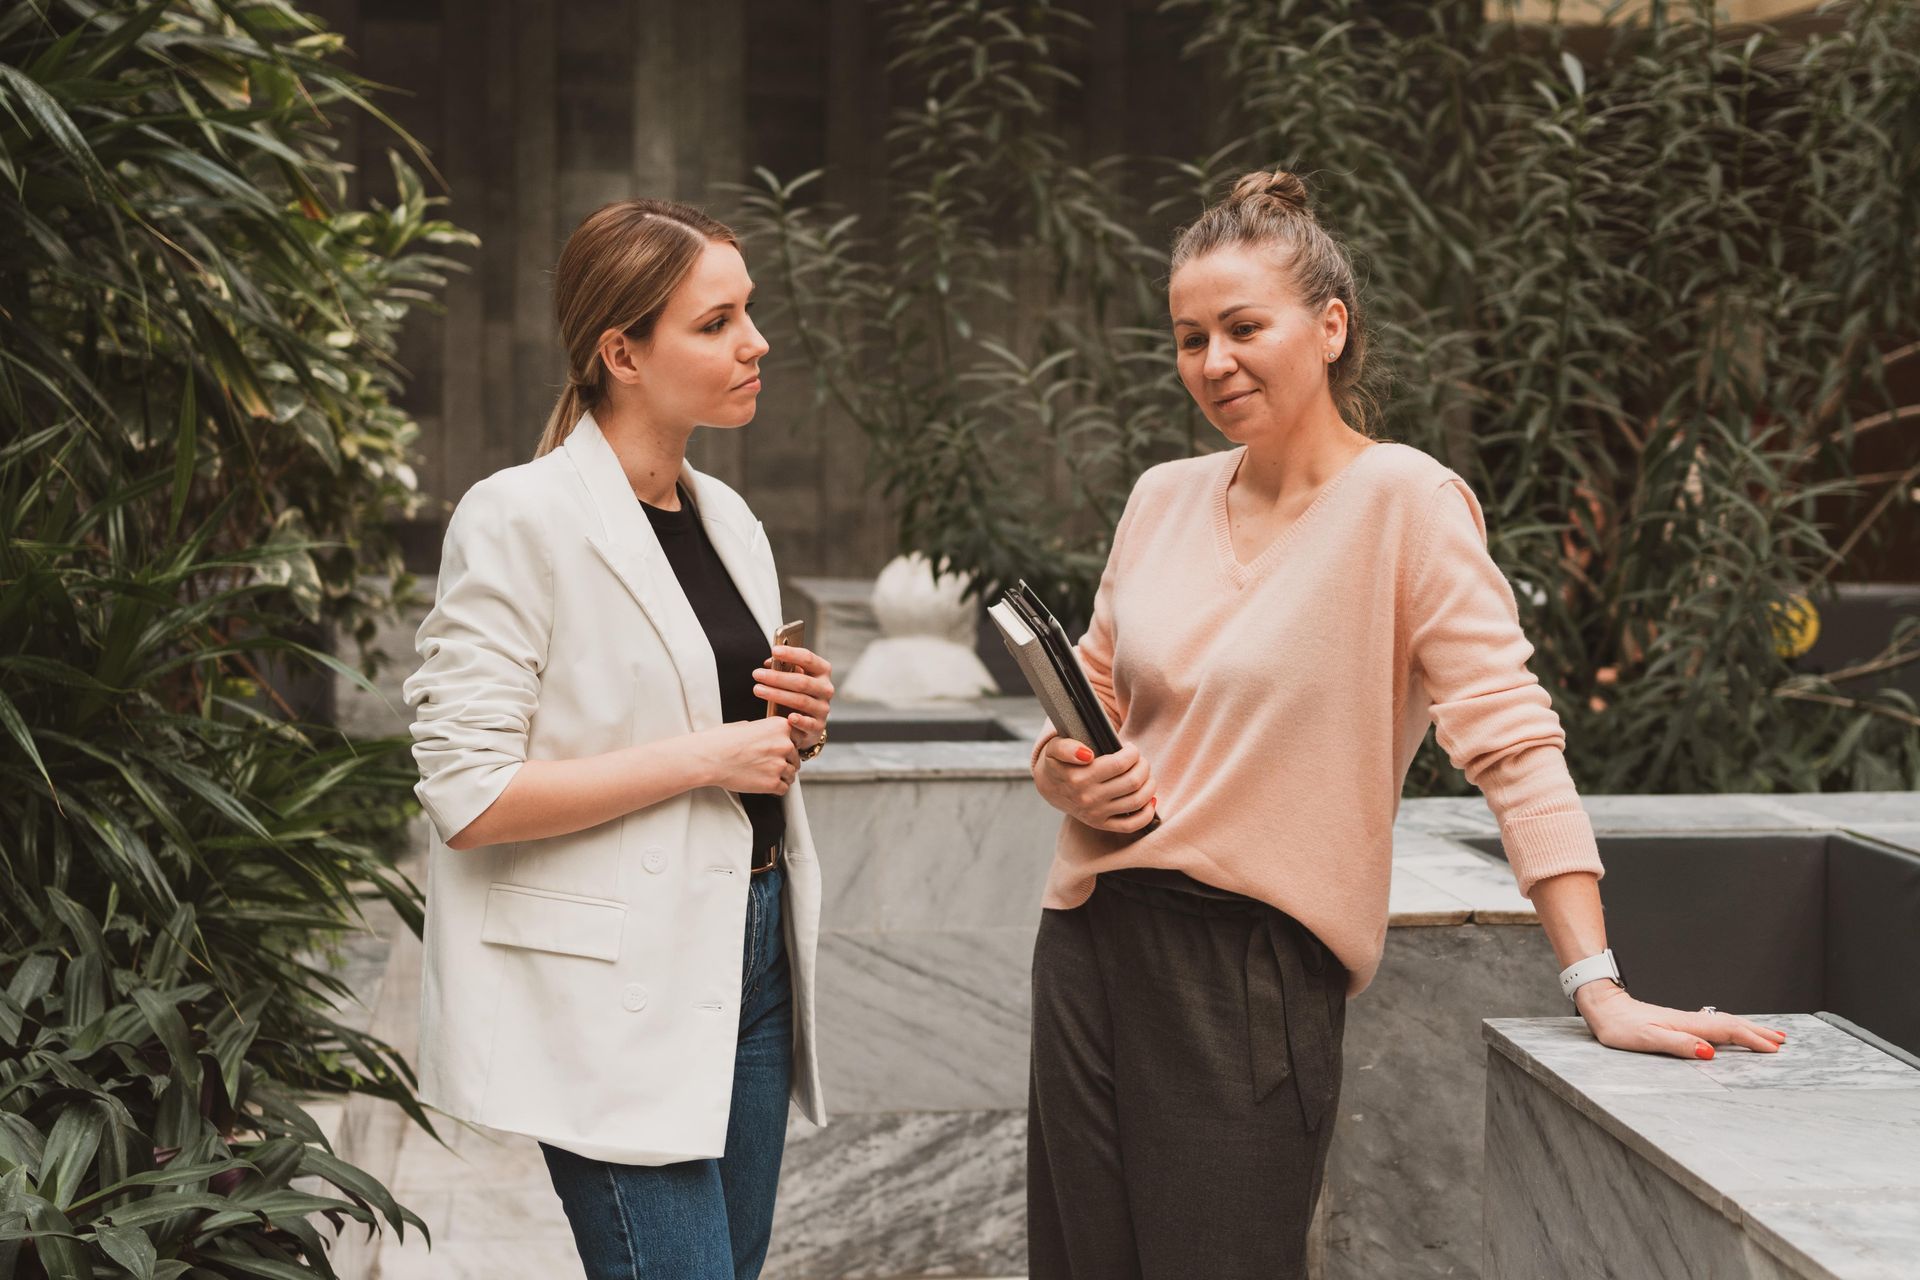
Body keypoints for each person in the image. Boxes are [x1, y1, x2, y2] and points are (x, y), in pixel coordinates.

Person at [1022, 169, 1788, 1280]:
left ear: (1329, 326)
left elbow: (1514, 745)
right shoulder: (1162, 495)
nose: (1214, 362)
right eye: (1190, 337)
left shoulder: (1409, 505)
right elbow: (1087, 696)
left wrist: (1598, 983)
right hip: (1090, 942)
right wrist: (1063, 774)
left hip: (1249, 974)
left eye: (1244, 327)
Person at [402, 198, 837, 1280]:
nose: (756, 341)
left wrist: (792, 726)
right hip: (609, 980)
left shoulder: (730, 518)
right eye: (718, 320)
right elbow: (469, 795)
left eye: (752, 312)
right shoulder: (518, 517)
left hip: (753, 948)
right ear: (622, 351)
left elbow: (721, 727)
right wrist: (714, 756)